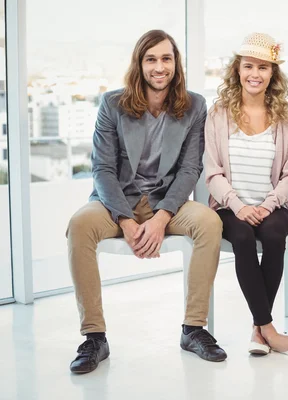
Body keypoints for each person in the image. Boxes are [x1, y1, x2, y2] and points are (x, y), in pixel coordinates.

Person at [67, 30, 226, 374]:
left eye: (166, 59)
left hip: (165, 200)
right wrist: (125, 221)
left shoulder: (195, 105)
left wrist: (160, 218)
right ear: (140, 64)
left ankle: (193, 329)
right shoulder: (112, 104)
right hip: (117, 200)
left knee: (210, 222)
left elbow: (189, 168)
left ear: (175, 64)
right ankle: (94, 337)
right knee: (79, 225)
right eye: (151, 59)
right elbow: (103, 168)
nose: (159, 67)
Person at [204, 32, 288, 357]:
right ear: (238, 69)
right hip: (228, 207)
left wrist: (267, 204)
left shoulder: (284, 119)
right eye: (249, 66)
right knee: (244, 240)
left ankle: (257, 330)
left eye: (263, 68)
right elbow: (212, 172)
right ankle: (268, 329)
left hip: (270, 205)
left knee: (276, 238)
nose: (255, 74)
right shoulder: (218, 114)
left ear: (272, 74)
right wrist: (237, 206)